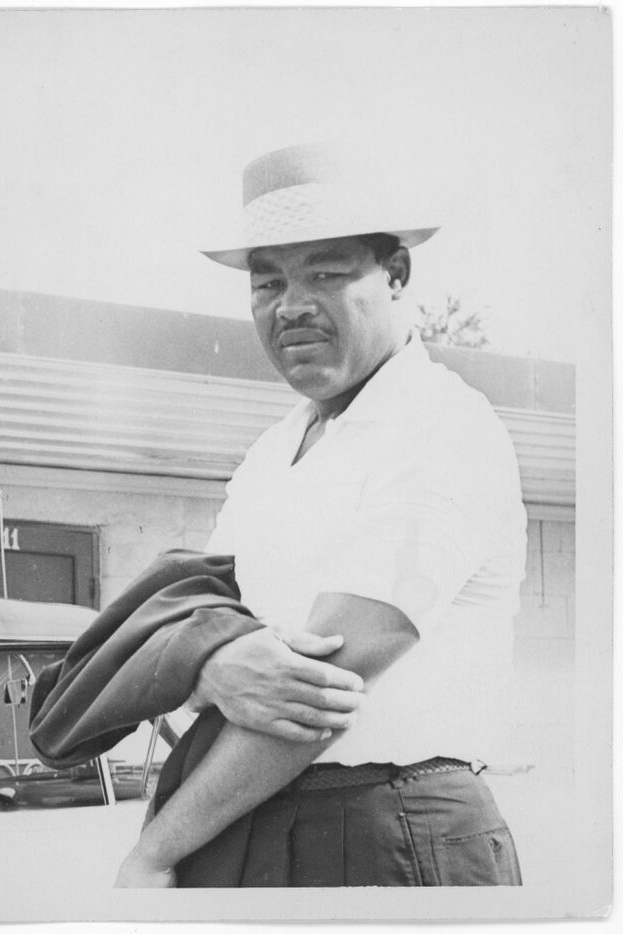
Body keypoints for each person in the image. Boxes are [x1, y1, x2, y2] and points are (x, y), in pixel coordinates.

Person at [116, 142, 527, 888]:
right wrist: (211, 661)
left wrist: (155, 850)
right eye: (266, 282)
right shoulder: (274, 449)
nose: (291, 305)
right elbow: (198, 623)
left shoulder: (441, 424)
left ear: (396, 274)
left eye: (326, 274)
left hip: (386, 825)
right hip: (244, 818)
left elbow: (318, 688)